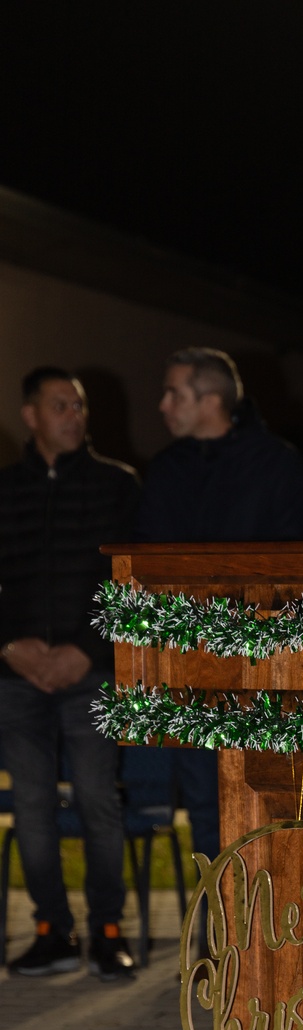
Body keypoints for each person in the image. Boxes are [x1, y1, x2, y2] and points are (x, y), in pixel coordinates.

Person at [133, 347, 303, 863]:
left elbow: (297, 561)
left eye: (174, 392)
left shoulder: (276, 462)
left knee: (269, 802)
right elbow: (146, 557)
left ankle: (271, 934)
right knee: (204, 806)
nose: (162, 405)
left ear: (210, 400)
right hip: (190, 666)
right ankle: (215, 935)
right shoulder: (167, 469)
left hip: (263, 671)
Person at [0, 367, 141, 983]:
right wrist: (10, 645)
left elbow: (130, 578)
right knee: (30, 805)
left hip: (90, 669)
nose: (74, 416)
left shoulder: (118, 485)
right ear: (31, 416)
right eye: (60, 406)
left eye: (78, 406)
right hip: (17, 675)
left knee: (95, 800)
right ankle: (51, 931)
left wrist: (87, 648)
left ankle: (109, 931)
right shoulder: (4, 489)